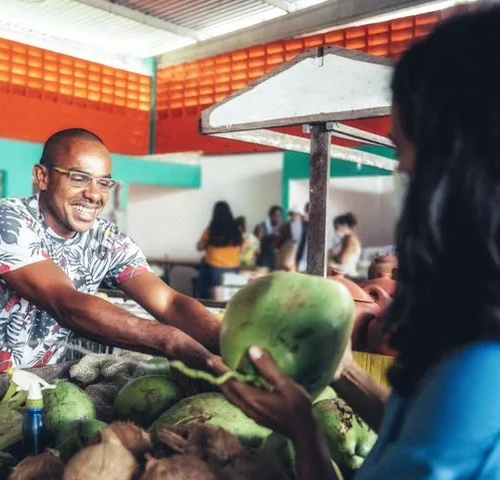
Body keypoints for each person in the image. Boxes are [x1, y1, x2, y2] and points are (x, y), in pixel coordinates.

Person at [216, 7, 500, 479]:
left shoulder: (478, 377)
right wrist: (343, 371)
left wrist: (302, 431)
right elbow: (412, 433)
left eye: (408, 158)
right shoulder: (471, 339)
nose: (403, 176)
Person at [0, 128, 221, 383]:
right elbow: (65, 303)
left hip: (33, 391)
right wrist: (170, 340)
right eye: (79, 178)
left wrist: (226, 340)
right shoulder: (6, 220)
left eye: (103, 182)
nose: (95, 194)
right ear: (42, 177)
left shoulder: (105, 239)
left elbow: (168, 302)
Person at [195, 202, 243, 299]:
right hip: (233, 268)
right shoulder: (237, 230)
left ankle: (203, 299)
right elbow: (242, 249)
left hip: (214, 268)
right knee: (230, 297)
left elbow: (199, 247)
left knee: (215, 300)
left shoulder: (211, 230)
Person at [256, 205, 282, 270]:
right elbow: (260, 239)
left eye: (279, 216)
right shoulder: (262, 226)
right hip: (263, 259)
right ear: (270, 215)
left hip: (275, 260)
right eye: (275, 215)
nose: (277, 218)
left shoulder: (281, 227)